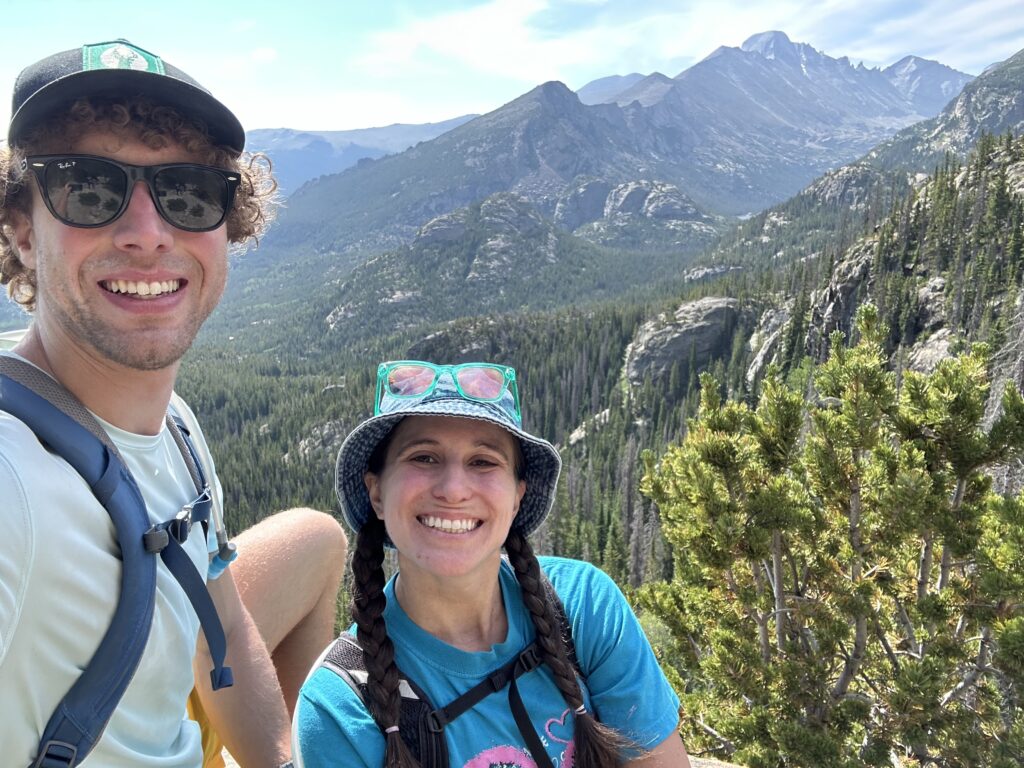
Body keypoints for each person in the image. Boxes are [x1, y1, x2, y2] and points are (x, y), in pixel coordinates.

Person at [0, 40, 347, 767]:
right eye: (87, 189)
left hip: (179, 726)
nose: (148, 233)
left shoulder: (176, 427)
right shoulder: (14, 486)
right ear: (20, 233)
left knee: (319, 537)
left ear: (228, 226)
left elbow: (217, 612)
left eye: (187, 193)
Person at [293, 361, 691, 767]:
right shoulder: (340, 707)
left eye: (483, 461)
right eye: (424, 457)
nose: (453, 490)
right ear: (376, 493)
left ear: (517, 496)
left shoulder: (584, 605)